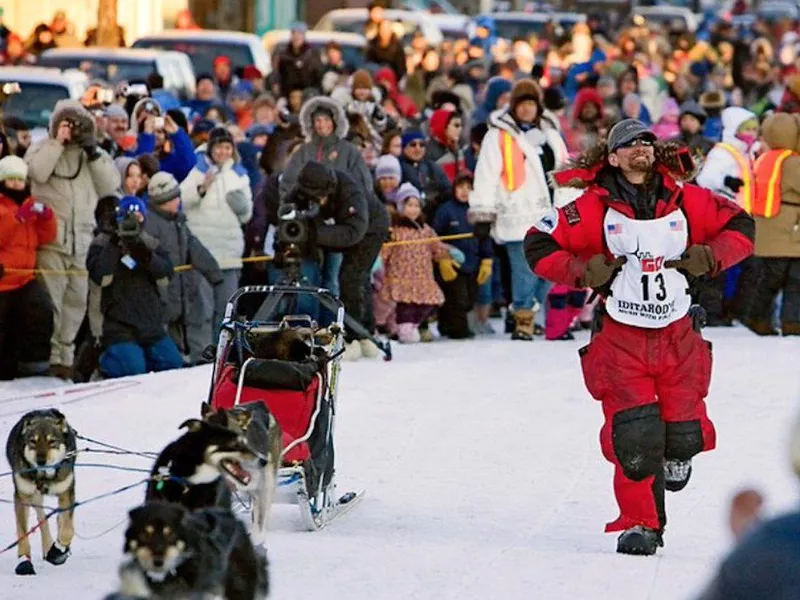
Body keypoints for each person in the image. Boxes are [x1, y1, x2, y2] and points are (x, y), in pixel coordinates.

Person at [524, 119, 755, 555]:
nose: (641, 149)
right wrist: (580, 271)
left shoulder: (687, 199)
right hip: (621, 339)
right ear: (612, 157)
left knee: (684, 429)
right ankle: (640, 524)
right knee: (633, 437)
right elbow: (538, 241)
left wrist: (711, 256)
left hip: (677, 335)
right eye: (629, 144)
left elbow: (741, 226)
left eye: (647, 142)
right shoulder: (590, 207)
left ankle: (678, 452)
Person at [469, 78, 574, 341]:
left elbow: (566, 170)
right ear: (514, 107)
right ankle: (522, 319)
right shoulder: (499, 136)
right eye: (522, 104)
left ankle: (529, 310)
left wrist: (574, 205)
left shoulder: (550, 134)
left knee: (551, 269)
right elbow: (486, 174)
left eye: (531, 104)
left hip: (552, 214)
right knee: (525, 270)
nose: (527, 109)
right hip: (517, 213)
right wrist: (483, 211)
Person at [25, 99, 120, 380]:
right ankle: (52, 357)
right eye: (67, 123)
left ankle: (65, 357)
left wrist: (91, 149)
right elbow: (37, 172)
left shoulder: (91, 156)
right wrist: (57, 142)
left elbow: (109, 186)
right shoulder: (42, 147)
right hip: (52, 238)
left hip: (81, 238)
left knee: (76, 299)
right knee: (51, 299)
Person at [268, 160, 389, 359]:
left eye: (320, 197)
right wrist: (283, 246)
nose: (317, 201)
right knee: (346, 279)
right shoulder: (300, 192)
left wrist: (313, 233)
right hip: (333, 230)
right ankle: (359, 332)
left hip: (368, 229)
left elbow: (353, 232)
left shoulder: (350, 191)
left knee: (352, 277)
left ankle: (356, 337)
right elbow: (287, 222)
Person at [87, 196, 183, 379]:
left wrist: (145, 254)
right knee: (132, 368)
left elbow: (165, 275)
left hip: (150, 323)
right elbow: (99, 276)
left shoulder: (151, 242)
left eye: (138, 217)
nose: (133, 221)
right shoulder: (102, 242)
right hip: (118, 325)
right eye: (128, 216)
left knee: (173, 364)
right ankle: (102, 366)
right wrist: (116, 243)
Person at [0, 156, 57, 379]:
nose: (16, 184)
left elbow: (46, 237)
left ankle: (36, 365)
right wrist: (18, 218)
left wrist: (46, 218)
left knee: (40, 312)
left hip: (24, 278)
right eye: (11, 179)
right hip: (4, 279)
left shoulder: (29, 204)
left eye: (19, 180)